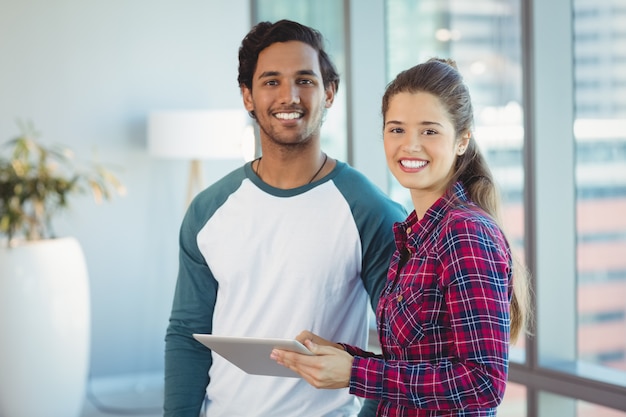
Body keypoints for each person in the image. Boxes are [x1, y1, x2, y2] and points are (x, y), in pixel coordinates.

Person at [163, 19, 407, 417]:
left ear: (329, 93)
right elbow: (187, 336)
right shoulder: (208, 210)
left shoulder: (372, 212)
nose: (289, 96)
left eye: (305, 80)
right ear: (247, 96)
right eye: (271, 81)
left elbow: (405, 345)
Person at [271, 58, 532, 417]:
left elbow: (483, 383)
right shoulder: (415, 233)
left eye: (429, 131)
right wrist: (346, 358)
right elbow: (416, 361)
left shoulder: (464, 233)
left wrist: (356, 373)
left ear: (462, 141)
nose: (410, 145)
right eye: (396, 130)